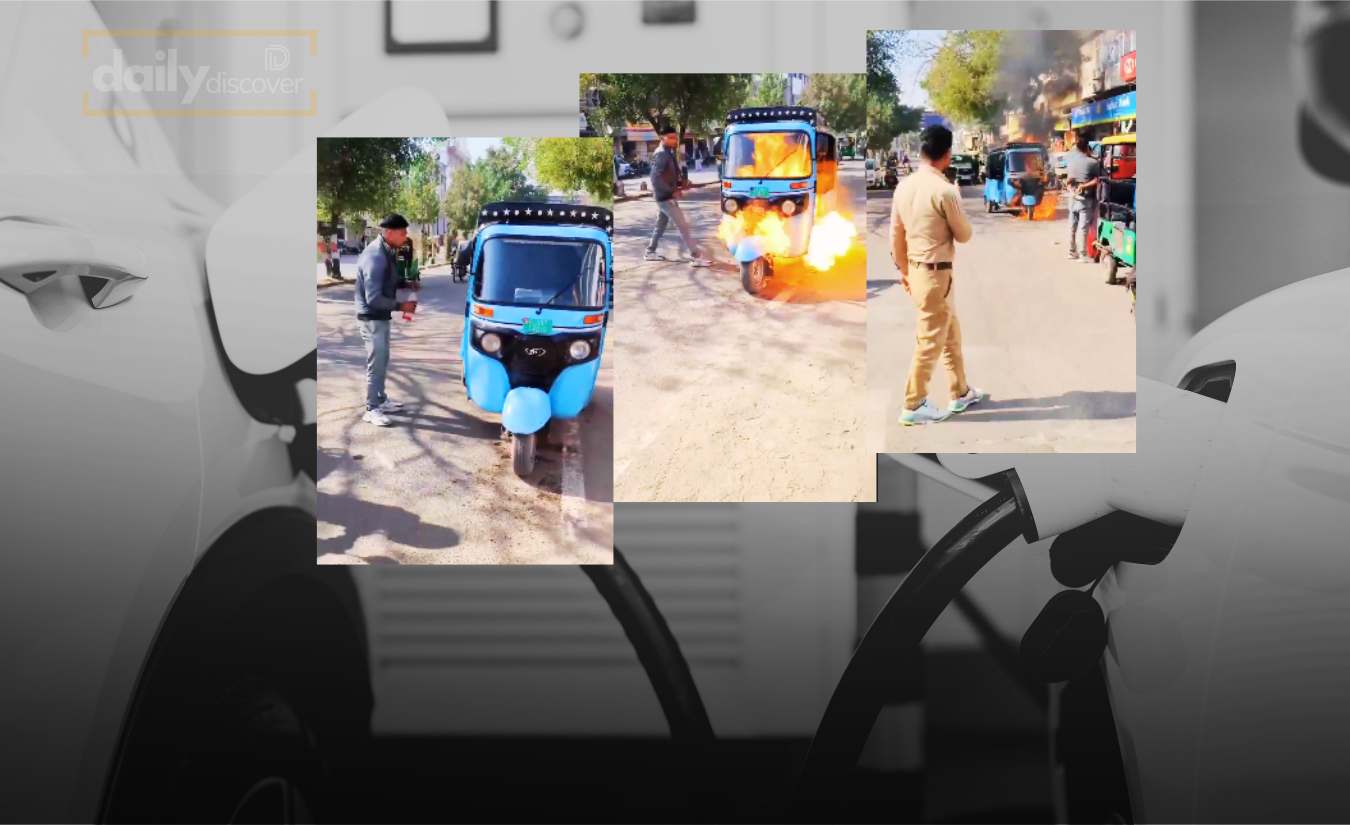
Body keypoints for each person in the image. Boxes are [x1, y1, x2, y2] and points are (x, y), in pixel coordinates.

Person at [889, 125, 986, 426]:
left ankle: (960, 392)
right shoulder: (944, 190)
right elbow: (965, 235)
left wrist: (904, 272)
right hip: (936, 275)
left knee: (950, 334)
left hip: (918, 272)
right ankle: (914, 402)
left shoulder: (903, 186)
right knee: (931, 339)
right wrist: (957, 199)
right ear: (947, 155)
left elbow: (896, 235)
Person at [354, 213, 417, 427]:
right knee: (376, 363)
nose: (405, 236)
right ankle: (371, 409)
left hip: (380, 318)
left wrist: (404, 283)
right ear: (389, 232)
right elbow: (373, 298)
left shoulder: (386, 250)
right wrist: (402, 306)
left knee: (383, 359)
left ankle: (380, 399)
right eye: (402, 232)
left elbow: (387, 278)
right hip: (371, 318)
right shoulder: (375, 256)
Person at [644, 126, 712, 267]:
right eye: (671, 137)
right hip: (665, 197)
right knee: (683, 226)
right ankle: (696, 257)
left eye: (675, 137)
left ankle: (650, 251)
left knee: (660, 225)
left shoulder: (668, 152)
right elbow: (655, 178)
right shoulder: (661, 153)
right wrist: (671, 192)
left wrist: (680, 182)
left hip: (665, 196)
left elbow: (668, 173)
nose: (675, 140)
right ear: (662, 138)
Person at [1065, 135, 1102, 260]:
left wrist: (1071, 187)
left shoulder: (1072, 162)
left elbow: (1069, 180)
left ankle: (1071, 252)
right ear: (1087, 147)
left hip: (1072, 197)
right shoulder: (1093, 162)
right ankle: (1083, 254)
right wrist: (1084, 185)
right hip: (1086, 199)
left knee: (1072, 226)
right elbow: (1097, 180)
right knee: (1083, 227)